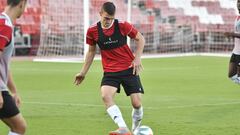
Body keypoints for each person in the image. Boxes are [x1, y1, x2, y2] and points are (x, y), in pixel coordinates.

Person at [74, 2, 145, 135]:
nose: (108, 21)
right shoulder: (92, 31)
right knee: (105, 96)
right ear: (100, 14)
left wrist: (137, 58)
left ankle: (136, 130)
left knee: (136, 103)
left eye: (111, 18)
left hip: (129, 68)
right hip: (110, 71)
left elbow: (140, 38)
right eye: (106, 18)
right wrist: (83, 72)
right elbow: (91, 52)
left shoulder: (122, 25)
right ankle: (123, 128)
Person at [0, 0, 27, 135]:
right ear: (22, 4)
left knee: (19, 126)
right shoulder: (4, 25)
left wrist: (14, 91)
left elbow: (3, 64)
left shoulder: (4, 23)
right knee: (19, 126)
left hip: (2, 87)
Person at [224, 0, 240, 84]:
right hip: (236, 51)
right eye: (238, 1)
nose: (239, 4)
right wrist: (231, 35)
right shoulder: (237, 17)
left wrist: (232, 34)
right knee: (231, 75)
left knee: (238, 75)